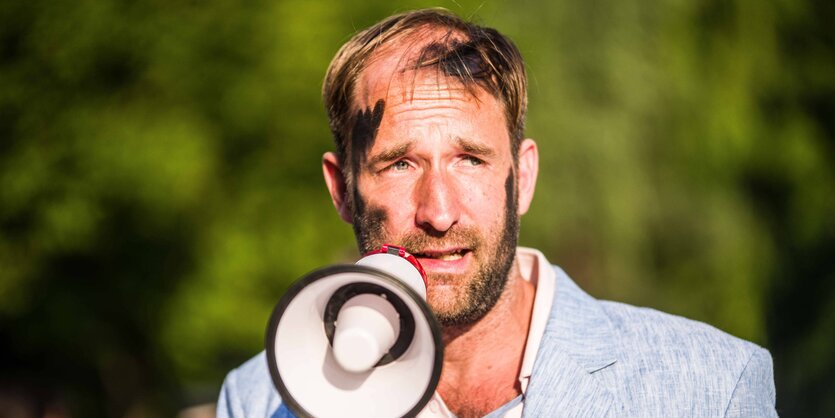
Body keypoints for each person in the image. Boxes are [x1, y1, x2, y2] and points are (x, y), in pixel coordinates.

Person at [217, 8, 778, 418]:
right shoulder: (257, 400)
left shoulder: (714, 387)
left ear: (523, 178)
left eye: (469, 160)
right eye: (399, 164)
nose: (438, 213)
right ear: (341, 190)